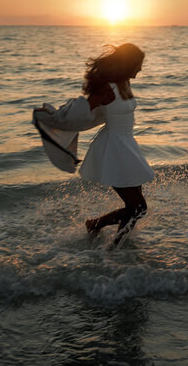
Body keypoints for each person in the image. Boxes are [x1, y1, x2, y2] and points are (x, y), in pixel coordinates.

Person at [79, 43, 155, 244]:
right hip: (112, 149)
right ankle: (104, 234)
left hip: (127, 146)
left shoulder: (124, 83)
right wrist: (57, 123)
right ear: (128, 64)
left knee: (135, 207)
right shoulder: (106, 88)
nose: (140, 68)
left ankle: (116, 245)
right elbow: (82, 113)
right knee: (139, 207)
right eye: (138, 64)